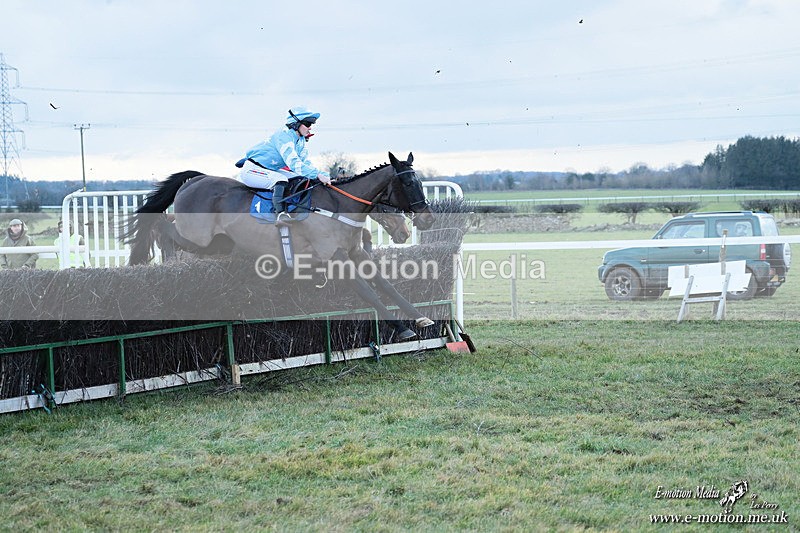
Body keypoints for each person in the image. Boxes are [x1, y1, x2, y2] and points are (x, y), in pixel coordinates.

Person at [235, 106, 332, 226]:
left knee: (299, 178)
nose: (310, 127)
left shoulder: (300, 140)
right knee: (280, 180)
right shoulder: (284, 135)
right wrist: (317, 174)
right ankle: (280, 214)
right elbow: (294, 163)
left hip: (269, 170)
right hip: (252, 170)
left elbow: (305, 163)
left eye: (312, 124)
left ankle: (291, 209)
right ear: (296, 123)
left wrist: (324, 175)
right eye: (307, 123)